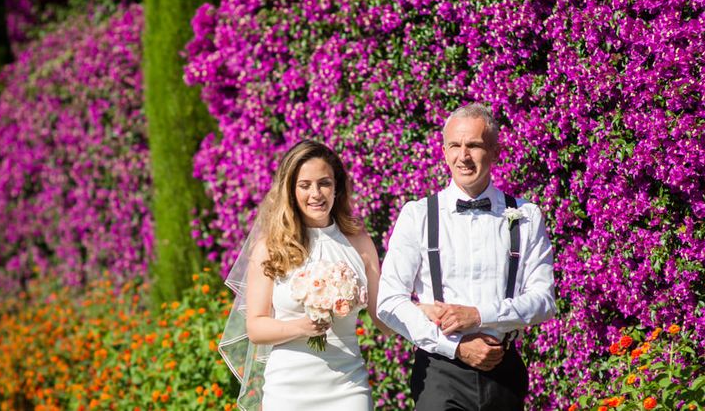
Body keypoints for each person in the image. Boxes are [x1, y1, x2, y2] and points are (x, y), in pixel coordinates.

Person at [377, 102, 556, 411]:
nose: (463, 156)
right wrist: (456, 347)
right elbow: (389, 302)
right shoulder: (418, 215)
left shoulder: (526, 215)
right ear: (444, 151)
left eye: (473, 145)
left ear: (496, 152)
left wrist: (479, 315)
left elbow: (544, 301)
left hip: (504, 370)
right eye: (455, 146)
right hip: (439, 371)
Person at [221, 139, 389, 411]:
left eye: (324, 183)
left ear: (336, 188)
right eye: (305, 185)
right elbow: (256, 327)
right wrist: (302, 327)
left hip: (348, 387)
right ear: (290, 190)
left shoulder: (358, 241)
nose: (316, 194)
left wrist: (422, 316)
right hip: (288, 389)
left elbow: (382, 316)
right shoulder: (270, 247)